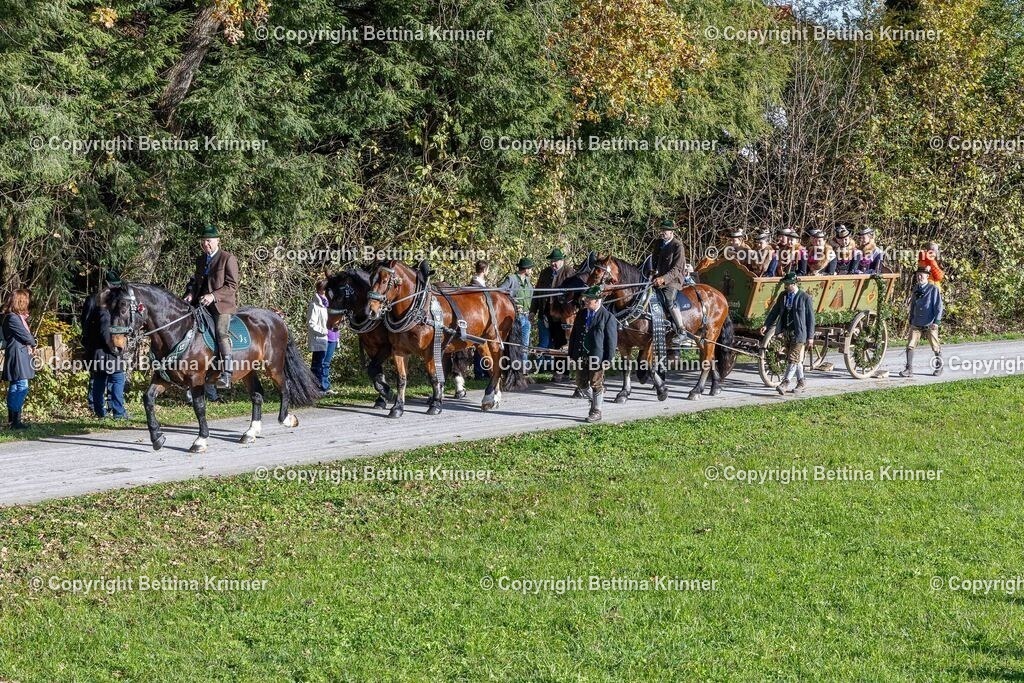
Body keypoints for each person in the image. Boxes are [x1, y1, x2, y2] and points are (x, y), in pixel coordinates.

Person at [186, 224, 239, 388]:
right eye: (203, 241)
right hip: (200, 304)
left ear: (217, 241)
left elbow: (232, 285)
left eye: (208, 241)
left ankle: (227, 373)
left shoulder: (227, 258)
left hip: (221, 306)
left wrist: (213, 296)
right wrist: (190, 294)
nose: (205, 244)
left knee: (221, 332)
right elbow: (196, 282)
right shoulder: (200, 259)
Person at [568, 285, 617, 423]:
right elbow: (574, 335)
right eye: (586, 298)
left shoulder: (607, 317)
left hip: (597, 357)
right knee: (580, 382)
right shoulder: (582, 314)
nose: (586, 301)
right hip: (581, 354)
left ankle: (596, 411)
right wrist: (571, 353)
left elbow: (611, 341)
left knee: (596, 383)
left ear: (598, 301)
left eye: (589, 299)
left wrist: (608, 359)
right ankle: (594, 400)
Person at [760, 272, 816, 395]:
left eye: (787, 284)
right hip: (786, 332)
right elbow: (774, 312)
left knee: (792, 358)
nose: (785, 286)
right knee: (796, 359)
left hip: (800, 333)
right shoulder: (783, 296)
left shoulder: (805, 298)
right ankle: (801, 382)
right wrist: (766, 324)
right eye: (785, 284)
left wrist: (811, 337)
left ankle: (785, 383)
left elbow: (811, 318)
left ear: (794, 284)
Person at [531, 248, 576, 372]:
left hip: (563, 315)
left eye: (556, 261)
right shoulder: (545, 273)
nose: (553, 263)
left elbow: (575, 293)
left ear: (562, 261)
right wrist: (532, 311)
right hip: (546, 313)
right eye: (551, 261)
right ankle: (545, 368)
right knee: (546, 342)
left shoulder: (569, 272)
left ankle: (562, 371)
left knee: (560, 342)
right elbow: (536, 293)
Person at [92, 275, 129, 419]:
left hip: (98, 353)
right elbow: (105, 335)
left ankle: (100, 411)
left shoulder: (96, 311)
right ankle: (118, 412)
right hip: (108, 354)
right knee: (118, 380)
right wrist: (115, 350)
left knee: (99, 382)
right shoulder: (106, 315)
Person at [899, 266, 944, 377]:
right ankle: (909, 369)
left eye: (922, 275)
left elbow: (939, 306)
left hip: (930, 322)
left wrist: (936, 322)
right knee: (910, 345)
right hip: (917, 321)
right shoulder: (916, 289)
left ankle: (939, 366)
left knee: (935, 345)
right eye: (918, 275)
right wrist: (911, 318)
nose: (919, 277)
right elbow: (913, 305)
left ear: (927, 276)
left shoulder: (933, 289)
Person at [2, 289, 37, 429]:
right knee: (22, 386)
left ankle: (13, 420)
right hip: (18, 355)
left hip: (18, 353)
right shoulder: (12, 318)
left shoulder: (13, 317)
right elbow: (26, 336)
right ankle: (15, 421)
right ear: (20, 302)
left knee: (16, 386)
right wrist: (33, 342)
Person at [648, 218, 688, 335]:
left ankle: (681, 329)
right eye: (662, 230)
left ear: (672, 232)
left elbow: (677, 269)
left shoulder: (677, 246)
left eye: (665, 230)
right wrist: (651, 272)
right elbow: (654, 261)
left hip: (673, 280)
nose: (663, 232)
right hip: (657, 279)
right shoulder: (658, 243)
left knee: (669, 300)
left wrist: (663, 279)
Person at [500, 257, 535, 368]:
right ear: (526, 269)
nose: (531, 271)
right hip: (515, 316)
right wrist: (512, 302)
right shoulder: (511, 279)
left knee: (525, 344)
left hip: (526, 316)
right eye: (530, 269)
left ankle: (523, 368)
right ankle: (513, 366)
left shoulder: (528, 281)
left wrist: (532, 312)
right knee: (514, 343)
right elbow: (499, 292)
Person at [307, 280, 335, 393]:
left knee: (326, 364)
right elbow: (311, 323)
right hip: (321, 337)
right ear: (321, 290)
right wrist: (324, 331)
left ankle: (325, 386)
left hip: (332, 337)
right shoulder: (314, 305)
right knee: (318, 364)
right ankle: (316, 387)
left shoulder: (332, 303)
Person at [469, 261, 490, 379]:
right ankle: (479, 372)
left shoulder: (481, 283)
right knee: (479, 346)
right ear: (485, 270)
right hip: (478, 320)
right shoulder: (476, 285)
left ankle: (485, 371)